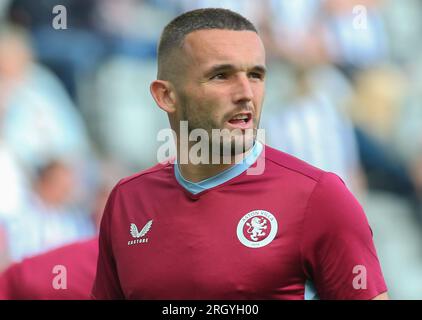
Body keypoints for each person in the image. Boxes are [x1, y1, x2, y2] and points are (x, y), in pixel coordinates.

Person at [92, 8, 388, 300]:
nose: (246, 92)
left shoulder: (319, 197)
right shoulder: (127, 201)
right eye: (221, 75)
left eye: (256, 75)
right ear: (166, 95)